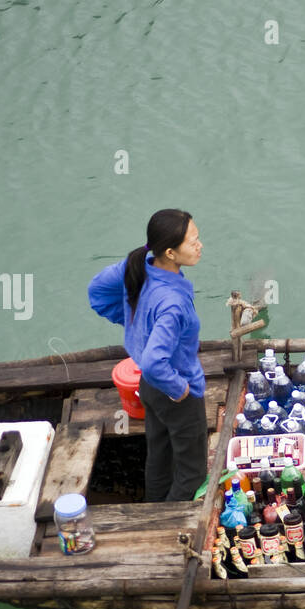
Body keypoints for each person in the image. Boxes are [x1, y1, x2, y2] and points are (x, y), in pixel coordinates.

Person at [88, 209, 207, 501]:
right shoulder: (172, 303)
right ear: (170, 252)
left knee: (160, 455)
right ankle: (168, 525)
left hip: (149, 389)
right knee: (192, 474)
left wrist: (134, 323)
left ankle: (154, 507)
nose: (200, 245)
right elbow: (156, 363)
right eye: (193, 241)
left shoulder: (142, 264)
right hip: (174, 391)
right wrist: (179, 389)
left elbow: (97, 292)